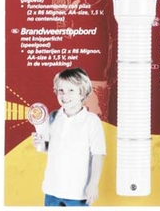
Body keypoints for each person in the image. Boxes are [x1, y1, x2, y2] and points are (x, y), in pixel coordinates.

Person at [33, 68, 106, 206]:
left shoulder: (91, 121)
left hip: (78, 193)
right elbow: (52, 149)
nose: (64, 95)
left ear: (82, 93)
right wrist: (41, 144)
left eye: (71, 90)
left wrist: (93, 184)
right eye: (60, 90)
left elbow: (98, 154)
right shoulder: (53, 117)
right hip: (52, 190)